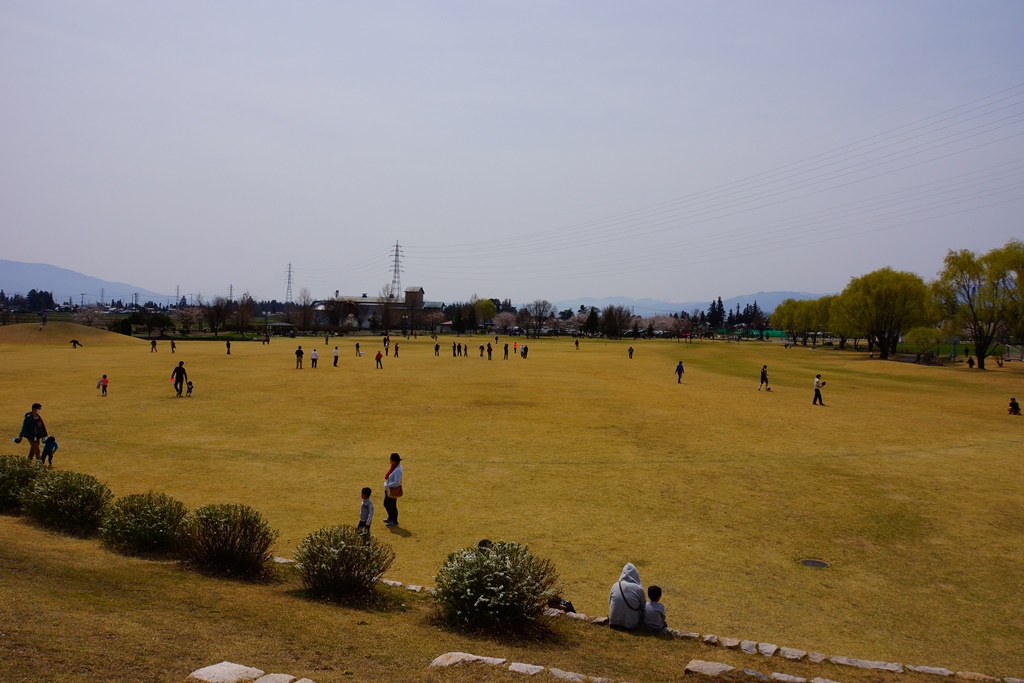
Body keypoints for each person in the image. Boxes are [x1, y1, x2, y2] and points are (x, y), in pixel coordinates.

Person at [608, 562, 646, 629]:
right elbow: (643, 607)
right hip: (631, 624)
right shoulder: (639, 589)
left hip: (614, 622)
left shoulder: (615, 585)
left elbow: (610, 602)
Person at [382, 452, 403, 527]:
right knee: (386, 503)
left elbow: (397, 482)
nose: (389, 460)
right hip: (388, 489)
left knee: (392, 505)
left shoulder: (397, 470)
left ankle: (394, 521)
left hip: (392, 490)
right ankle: (390, 517)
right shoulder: (394, 467)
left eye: (390, 459)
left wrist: (388, 485)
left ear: (394, 460)